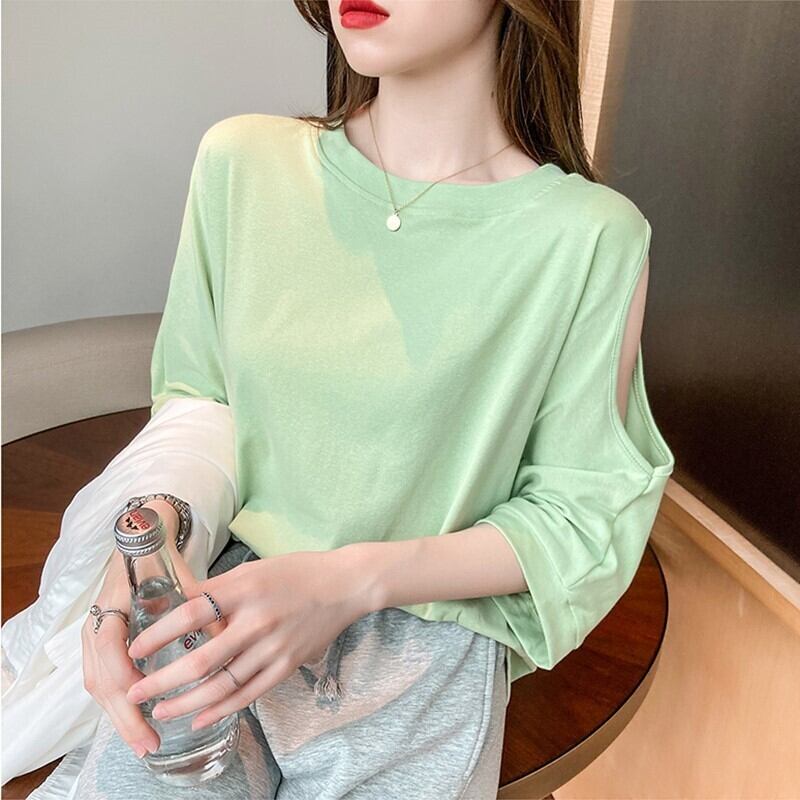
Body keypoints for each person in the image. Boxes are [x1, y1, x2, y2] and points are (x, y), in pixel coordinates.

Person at [71, 0, 676, 797]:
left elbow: (575, 515)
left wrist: (347, 581)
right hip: (217, 610)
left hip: (424, 647)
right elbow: (197, 404)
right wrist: (145, 553)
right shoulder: (242, 164)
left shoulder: (587, 238)